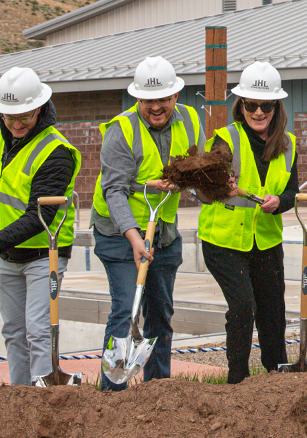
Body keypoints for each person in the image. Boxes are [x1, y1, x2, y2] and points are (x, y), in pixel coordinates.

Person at [0, 67, 80, 386]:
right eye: (8, 116)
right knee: (14, 331)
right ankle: (20, 398)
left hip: (46, 253)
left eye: (24, 117)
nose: (15, 124)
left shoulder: (56, 152)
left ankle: (43, 400)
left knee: (39, 330)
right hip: (9, 254)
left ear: (40, 109)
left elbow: (37, 217)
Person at [91, 56, 201, 390]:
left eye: (163, 99)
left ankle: (159, 392)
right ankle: (112, 394)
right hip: (118, 233)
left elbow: (192, 169)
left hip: (164, 232)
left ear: (175, 97)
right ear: (138, 99)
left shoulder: (190, 120)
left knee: (160, 316)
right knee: (126, 310)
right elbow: (114, 190)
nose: (156, 107)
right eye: (148, 100)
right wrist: (134, 238)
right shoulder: (120, 132)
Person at [198, 61, 299, 384]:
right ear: (240, 106)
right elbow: (203, 189)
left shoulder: (289, 144)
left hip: (266, 240)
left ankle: (276, 379)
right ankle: (237, 382)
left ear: (275, 107)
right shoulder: (225, 140)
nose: (258, 112)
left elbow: (292, 192)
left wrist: (279, 202)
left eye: (265, 106)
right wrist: (216, 186)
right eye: (251, 105)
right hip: (224, 240)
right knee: (243, 307)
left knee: (273, 313)